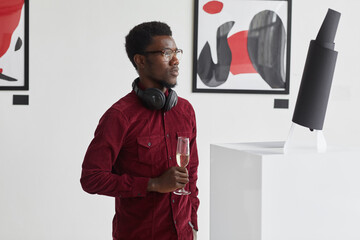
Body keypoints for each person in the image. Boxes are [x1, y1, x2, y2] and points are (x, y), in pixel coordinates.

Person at [80, 21, 199, 240]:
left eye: (176, 52)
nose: (175, 61)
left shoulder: (185, 111)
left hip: (183, 234)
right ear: (141, 60)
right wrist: (153, 184)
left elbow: (191, 173)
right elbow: (91, 178)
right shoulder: (119, 116)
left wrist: (193, 223)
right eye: (165, 53)